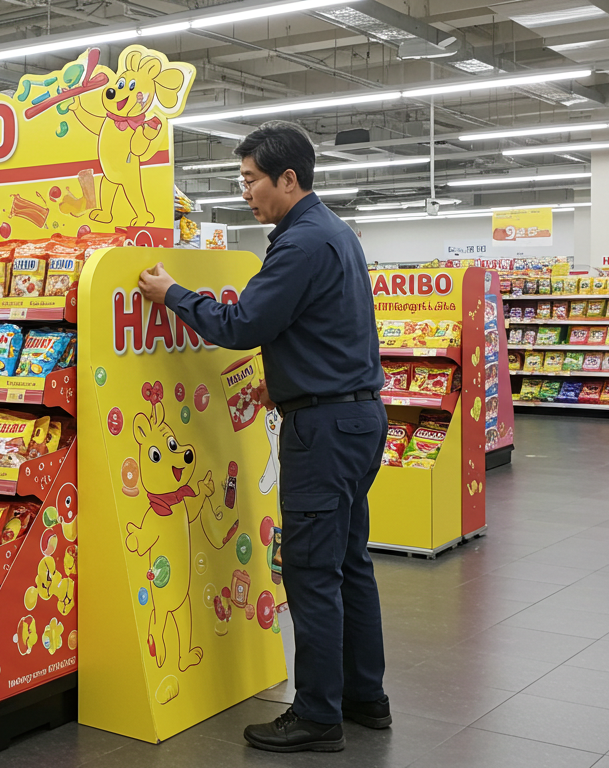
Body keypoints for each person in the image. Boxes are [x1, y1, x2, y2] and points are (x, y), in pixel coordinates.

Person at [137, 120, 390, 753]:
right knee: (350, 563)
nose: (245, 192)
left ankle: (317, 715)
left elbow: (244, 324)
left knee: (311, 573)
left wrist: (172, 294)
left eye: (251, 180)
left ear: (288, 178)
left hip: (323, 432)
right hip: (358, 418)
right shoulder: (337, 233)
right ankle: (365, 697)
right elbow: (324, 330)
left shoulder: (300, 243)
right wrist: (288, 381)